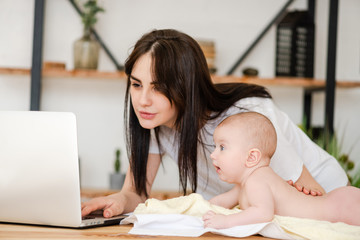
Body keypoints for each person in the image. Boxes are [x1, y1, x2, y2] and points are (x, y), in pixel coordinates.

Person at [81, 29, 348, 218]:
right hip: (246, 210)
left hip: (323, 198)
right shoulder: (155, 123)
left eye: (158, 88)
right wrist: (117, 200)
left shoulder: (246, 115)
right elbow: (136, 194)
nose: (142, 101)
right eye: (136, 85)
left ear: (186, 87)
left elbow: (314, 194)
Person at [203, 112, 360, 228]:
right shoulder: (244, 184)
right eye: (215, 146)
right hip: (335, 203)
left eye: (222, 147)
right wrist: (199, 210)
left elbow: (263, 213)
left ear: (251, 157)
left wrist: (225, 221)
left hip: (339, 209)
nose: (213, 154)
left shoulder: (256, 181)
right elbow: (220, 203)